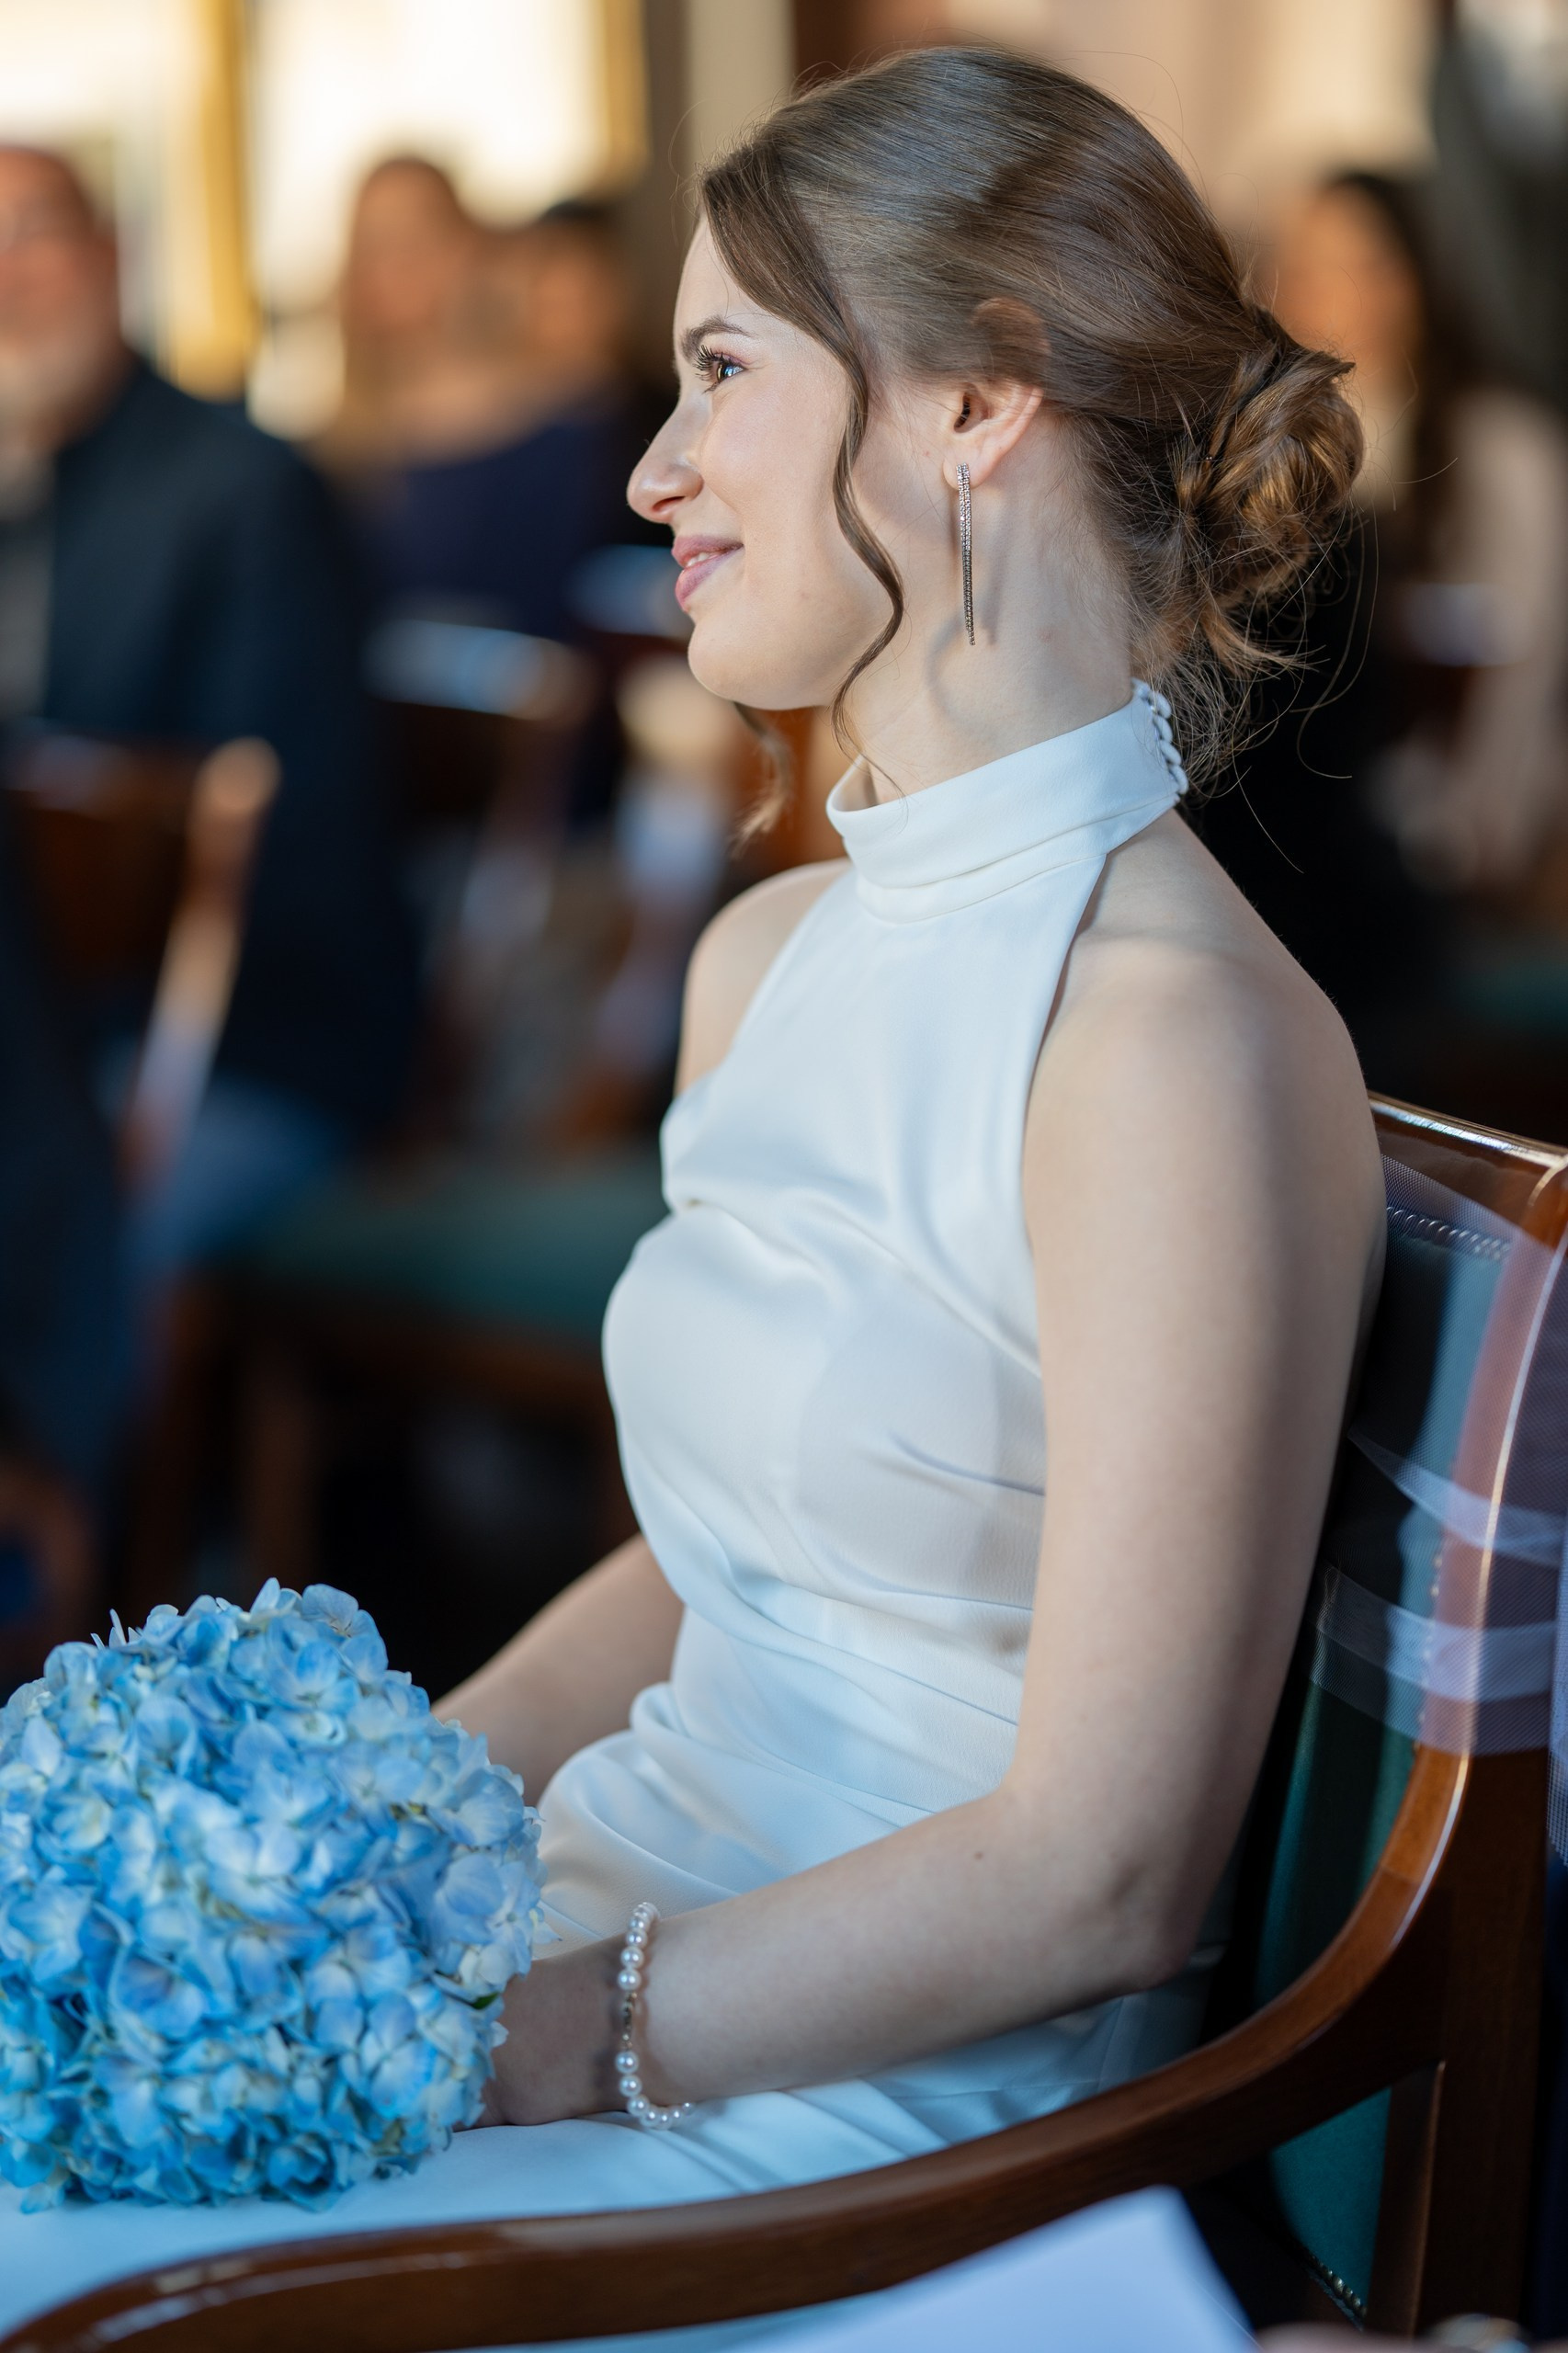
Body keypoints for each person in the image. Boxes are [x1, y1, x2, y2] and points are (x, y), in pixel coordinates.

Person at [0, 48, 1382, 2343]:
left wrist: (523, 2037)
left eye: (720, 369)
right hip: (584, 1943)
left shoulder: (1173, 1047)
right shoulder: (763, 959)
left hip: (850, 2126)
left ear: (977, 400)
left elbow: (1104, 1872)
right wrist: (290, 1882)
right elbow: (700, 1562)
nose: (652, 465)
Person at [0, 143, 416, 1310]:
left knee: (38, 1243)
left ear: (110, 252)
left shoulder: (242, 489)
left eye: (33, 232)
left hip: (240, 1042)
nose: (7, 277)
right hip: (51, 1029)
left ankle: (76, 1493)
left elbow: (281, 839)